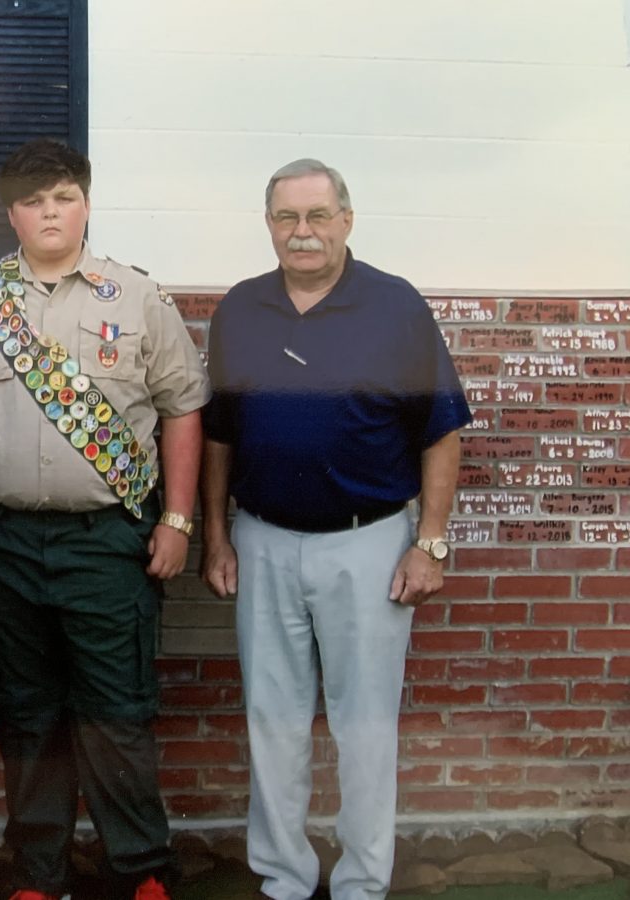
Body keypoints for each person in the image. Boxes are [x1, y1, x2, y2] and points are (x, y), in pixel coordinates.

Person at [0, 138, 209, 900]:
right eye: (34, 201)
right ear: (11, 213)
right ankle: (39, 876)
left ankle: (140, 871)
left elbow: (183, 407)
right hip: (0, 541)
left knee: (117, 711)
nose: (51, 213)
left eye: (65, 197)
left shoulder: (136, 297)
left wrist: (176, 519)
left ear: (86, 202)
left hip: (108, 540)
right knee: (27, 714)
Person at [200, 158, 471, 900]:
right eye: (287, 218)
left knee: (365, 726)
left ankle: (360, 881)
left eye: (318, 216)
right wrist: (217, 537)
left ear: (347, 220)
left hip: (370, 542)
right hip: (262, 539)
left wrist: (431, 541)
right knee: (274, 720)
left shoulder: (396, 307)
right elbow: (219, 435)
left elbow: (440, 433)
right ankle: (285, 877)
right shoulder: (240, 311)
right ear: (268, 225)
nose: (303, 232)